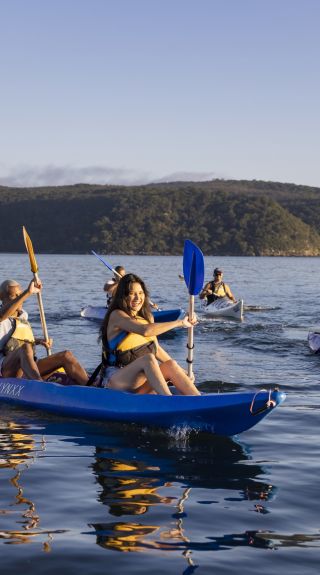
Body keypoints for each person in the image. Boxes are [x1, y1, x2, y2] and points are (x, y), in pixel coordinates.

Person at [98, 273, 200, 396]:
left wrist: (182, 372)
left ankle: (199, 400)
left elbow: (156, 349)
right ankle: (168, 402)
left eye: (140, 293)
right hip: (116, 380)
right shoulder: (117, 315)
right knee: (148, 359)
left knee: (171, 364)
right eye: (132, 293)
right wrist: (180, 323)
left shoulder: (147, 317)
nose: (137, 298)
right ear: (123, 296)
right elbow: (145, 330)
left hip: (140, 383)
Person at [0, 278, 89, 385]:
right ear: (2, 298)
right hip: (7, 369)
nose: (19, 299)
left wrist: (38, 341)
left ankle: (92, 387)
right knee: (26, 348)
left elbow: (16, 339)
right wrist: (28, 292)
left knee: (66, 355)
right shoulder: (2, 316)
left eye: (20, 295)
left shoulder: (23, 316)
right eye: (14, 296)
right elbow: (3, 315)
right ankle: (40, 385)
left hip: (27, 366)